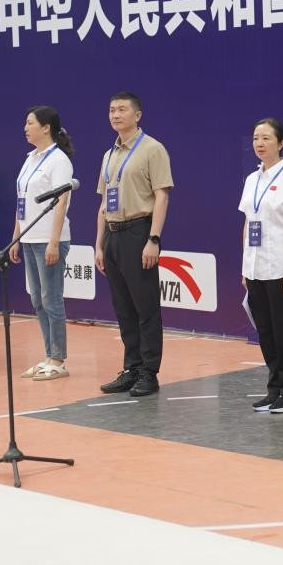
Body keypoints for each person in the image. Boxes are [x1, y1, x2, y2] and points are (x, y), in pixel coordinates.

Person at [95, 92, 173, 397]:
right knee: (123, 307)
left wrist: (153, 239)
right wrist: (99, 244)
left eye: (122, 109)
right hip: (112, 235)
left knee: (145, 307)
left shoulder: (153, 149)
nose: (115, 115)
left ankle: (149, 373)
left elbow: (162, 196)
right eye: (111, 110)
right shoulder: (109, 154)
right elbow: (104, 203)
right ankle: (131, 368)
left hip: (138, 232)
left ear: (137, 115)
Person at [239, 118, 283, 414]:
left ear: (281, 143)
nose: (260, 143)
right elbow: (247, 223)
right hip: (255, 268)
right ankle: (274, 389)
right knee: (265, 332)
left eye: (266, 138)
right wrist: (245, 267)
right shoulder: (251, 180)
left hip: (279, 268)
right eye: (256, 137)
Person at [8, 106, 75, 381]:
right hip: (28, 238)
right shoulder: (30, 159)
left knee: (51, 299)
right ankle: (48, 356)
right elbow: (21, 201)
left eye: (30, 123)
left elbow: (61, 202)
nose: (25, 128)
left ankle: (58, 359)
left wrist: (54, 242)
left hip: (48, 239)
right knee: (37, 299)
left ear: (46, 127)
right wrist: (16, 237)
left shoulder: (58, 160)